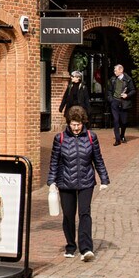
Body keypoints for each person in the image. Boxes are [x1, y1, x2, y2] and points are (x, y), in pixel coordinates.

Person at [48, 105, 111, 259]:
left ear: (83, 123)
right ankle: (70, 245)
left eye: (78, 124)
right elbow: (54, 161)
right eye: (73, 124)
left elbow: (98, 159)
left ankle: (86, 248)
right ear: (68, 123)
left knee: (84, 213)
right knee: (68, 216)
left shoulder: (91, 137)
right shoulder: (60, 138)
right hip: (65, 181)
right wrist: (51, 181)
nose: (76, 128)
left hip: (86, 180)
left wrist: (104, 179)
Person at [108, 62, 137, 145]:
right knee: (116, 120)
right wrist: (111, 99)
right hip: (115, 102)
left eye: (116, 70)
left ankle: (122, 135)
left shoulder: (128, 79)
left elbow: (133, 90)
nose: (114, 72)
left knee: (124, 122)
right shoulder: (113, 79)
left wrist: (127, 95)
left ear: (121, 70)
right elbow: (109, 90)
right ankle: (117, 140)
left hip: (124, 103)